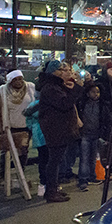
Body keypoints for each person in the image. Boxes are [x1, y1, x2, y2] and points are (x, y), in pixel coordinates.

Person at [38, 61, 84, 202]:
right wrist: (76, 89)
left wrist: (72, 89)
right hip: (55, 129)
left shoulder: (57, 86)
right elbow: (64, 104)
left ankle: (53, 189)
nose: (66, 72)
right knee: (54, 161)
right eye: (62, 70)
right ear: (54, 72)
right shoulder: (51, 88)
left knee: (56, 160)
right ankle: (51, 191)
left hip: (61, 128)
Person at [0, 70, 36, 186]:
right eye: (15, 80)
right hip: (10, 127)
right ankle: (3, 177)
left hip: (26, 126)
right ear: (10, 81)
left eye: (20, 79)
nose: (18, 82)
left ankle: (19, 175)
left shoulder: (30, 87)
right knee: (6, 154)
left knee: (23, 152)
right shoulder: (2, 91)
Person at [76, 82, 106, 191]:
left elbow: (102, 119)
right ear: (88, 93)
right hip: (85, 134)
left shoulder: (101, 105)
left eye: (97, 92)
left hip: (95, 134)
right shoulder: (83, 104)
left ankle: (92, 176)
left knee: (93, 157)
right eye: (93, 92)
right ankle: (83, 180)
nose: (96, 94)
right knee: (84, 158)